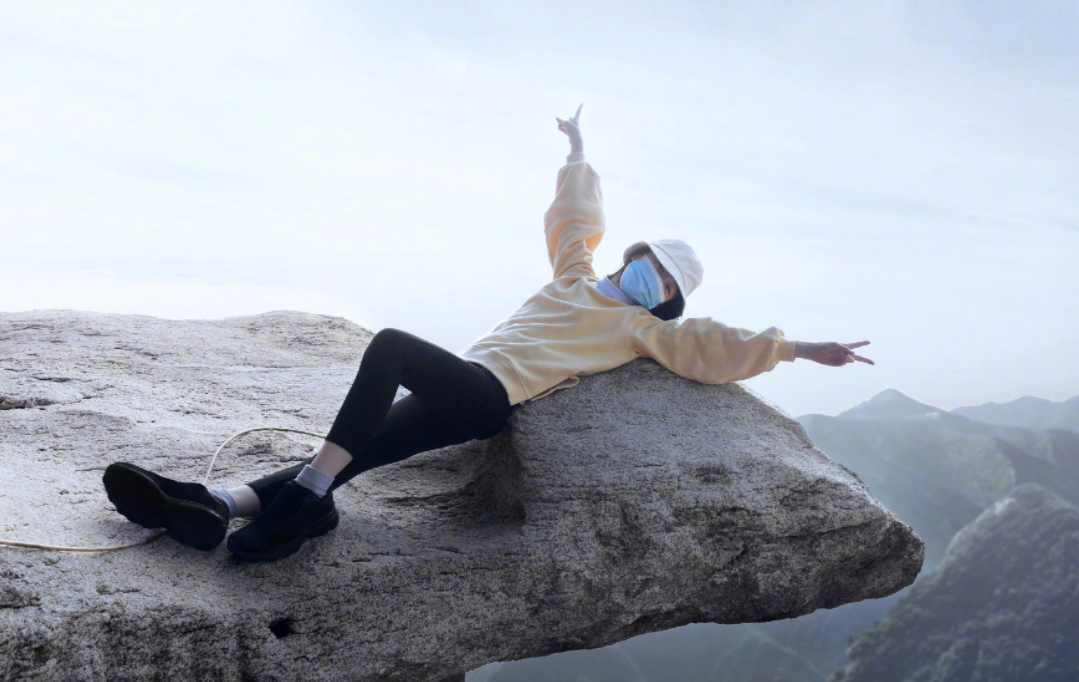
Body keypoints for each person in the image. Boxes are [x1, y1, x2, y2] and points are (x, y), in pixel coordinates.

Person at [102, 104, 874, 562]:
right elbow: (576, 218)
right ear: (636, 255)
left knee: (392, 346)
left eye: (667, 286)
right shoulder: (579, 275)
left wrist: (801, 347)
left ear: (666, 301)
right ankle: (216, 500)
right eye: (654, 266)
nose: (655, 282)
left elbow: (713, 345)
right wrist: (576, 152)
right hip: (465, 380)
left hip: (489, 396)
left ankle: (303, 497)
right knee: (350, 452)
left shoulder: (640, 328)